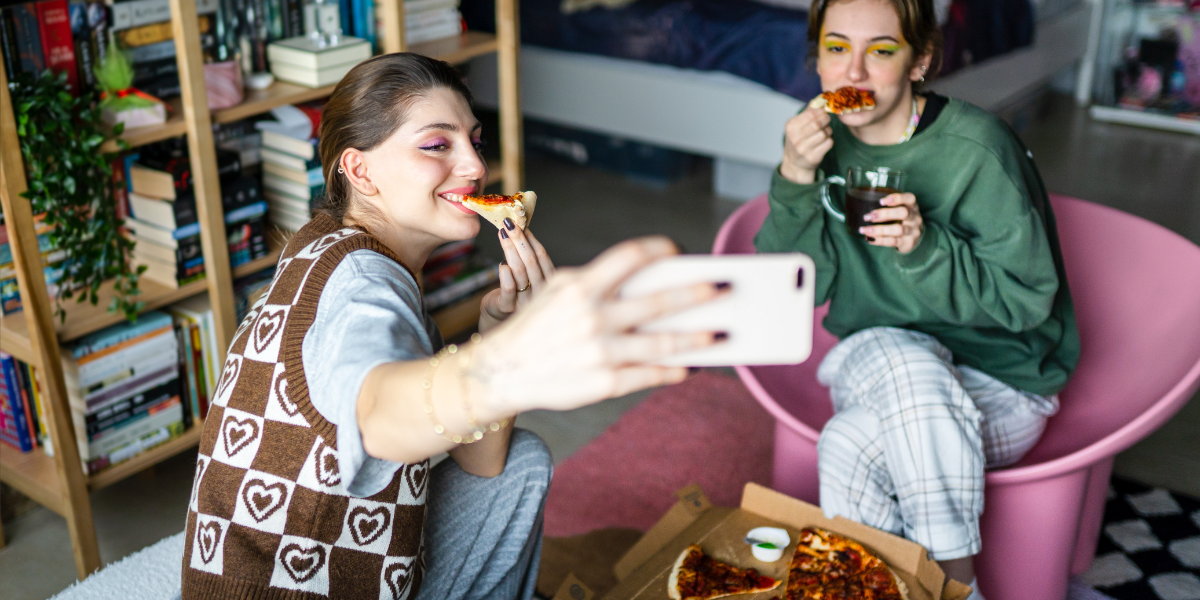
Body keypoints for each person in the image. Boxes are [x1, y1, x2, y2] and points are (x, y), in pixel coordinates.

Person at [179, 53, 724, 600]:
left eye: (474, 141)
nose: (475, 167)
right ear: (360, 169)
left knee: (522, 460)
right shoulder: (366, 283)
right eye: (437, 145)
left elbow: (482, 462)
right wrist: (509, 366)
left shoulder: (320, 246)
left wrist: (497, 333)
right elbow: (375, 411)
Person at [754, 0, 1079, 595]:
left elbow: (1029, 302)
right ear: (817, 59)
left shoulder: (978, 149)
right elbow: (792, 292)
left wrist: (926, 247)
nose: (852, 74)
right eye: (835, 49)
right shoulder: (821, 147)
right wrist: (795, 179)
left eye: (880, 51)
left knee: (849, 444)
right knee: (907, 361)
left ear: (920, 61)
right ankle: (961, 588)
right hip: (875, 358)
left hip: (1001, 385)